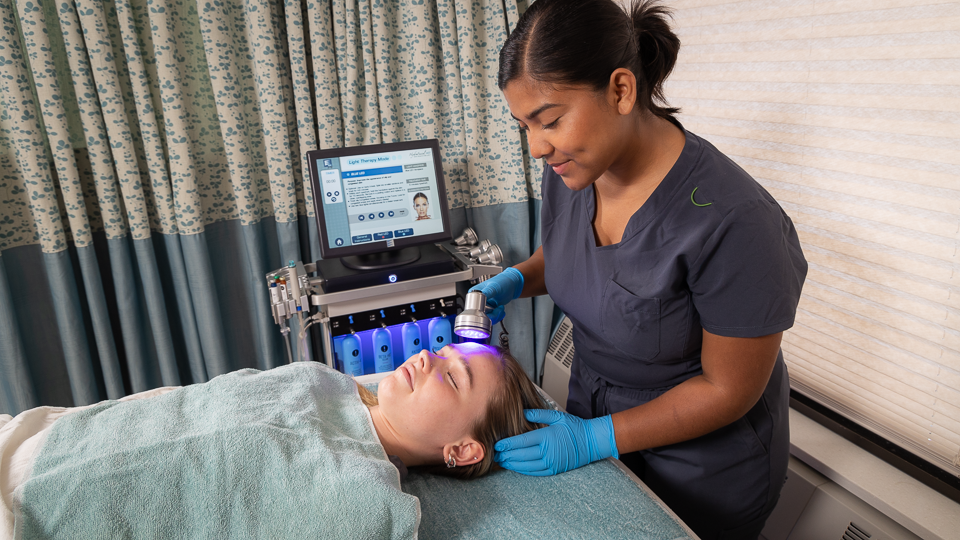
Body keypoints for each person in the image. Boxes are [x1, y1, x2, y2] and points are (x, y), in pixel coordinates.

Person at [470, 1, 807, 539]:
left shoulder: (735, 221)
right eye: (524, 126)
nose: (537, 147)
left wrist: (593, 439)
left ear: (622, 90)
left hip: (703, 463)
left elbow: (729, 389)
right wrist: (516, 279)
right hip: (593, 409)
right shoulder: (573, 169)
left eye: (550, 120)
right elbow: (568, 258)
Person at [0, 343, 545, 537]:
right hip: (40, 440)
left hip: (38, 517)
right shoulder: (320, 380)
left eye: (451, 376)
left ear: (463, 450)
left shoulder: (370, 500)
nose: (427, 357)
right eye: (444, 350)